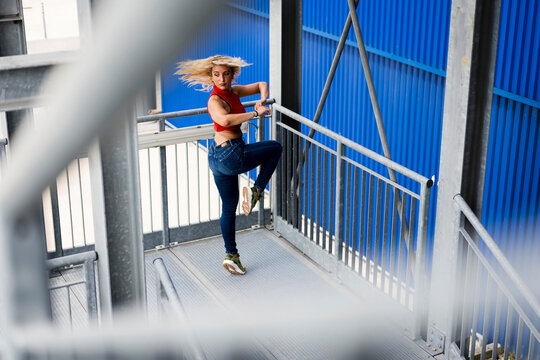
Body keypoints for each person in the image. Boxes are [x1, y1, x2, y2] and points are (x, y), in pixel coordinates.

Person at [175, 55, 282, 275]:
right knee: (275, 147)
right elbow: (224, 120)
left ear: (232, 75)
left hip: (218, 156)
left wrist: (261, 100)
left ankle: (231, 256)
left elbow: (263, 84)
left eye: (225, 74)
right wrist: (254, 113)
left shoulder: (234, 91)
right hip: (231, 155)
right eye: (216, 75)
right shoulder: (214, 100)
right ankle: (257, 189)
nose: (221, 79)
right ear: (211, 77)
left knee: (229, 206)